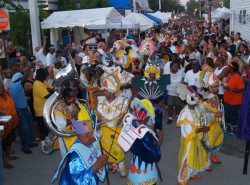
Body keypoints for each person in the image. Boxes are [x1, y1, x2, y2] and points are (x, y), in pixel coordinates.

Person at [52, 109, 117, 184]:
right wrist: (98, 165)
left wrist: (108, 165)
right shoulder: (75, 156)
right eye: (95, 135)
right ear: (89, 134)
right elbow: (78, 181)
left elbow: (95, 159)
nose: (97, 137)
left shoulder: (92, 143)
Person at [119, 98, 163, 185]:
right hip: (145, 174)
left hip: (135, 166)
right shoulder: (145, 133)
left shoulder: (131, 124)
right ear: (146, 118)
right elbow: (151, 155)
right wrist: (160, 141)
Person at [176, 84, 210, 185]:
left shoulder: (194, 109)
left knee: (195, 156)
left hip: (195, 139)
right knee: (186, 158)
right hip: (188, 141)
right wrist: (202, 129)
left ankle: (190, 174)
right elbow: (188, 133)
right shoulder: (185, 113)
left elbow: (199, 120)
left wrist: (203, 126)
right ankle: (181, 180)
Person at [97, 72, 129, 177]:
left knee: (118, 152)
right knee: (104, 152)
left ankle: (121, 169)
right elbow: (98, 117)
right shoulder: (100, 101)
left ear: (112, 92)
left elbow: (127, 117)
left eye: (106, 91)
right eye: (104, 90)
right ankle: (107, 167)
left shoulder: (123, 101)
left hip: (117, 131)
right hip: (104, 132)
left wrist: (123, 119)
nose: (104, 92)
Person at [132, 58, 170, 130]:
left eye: (154, 74)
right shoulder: (141, 82)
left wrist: (162, 101)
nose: (152, 75)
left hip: (157, 108)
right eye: (150, 74)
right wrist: (142, 105)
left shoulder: (160, 82)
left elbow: (165, 92)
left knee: (157, 127)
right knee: (145, 127)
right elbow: (139, 95)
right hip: (144, 109)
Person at [199, 69, 225, 170]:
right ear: (209, 87)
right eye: (215, 87)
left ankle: (211, 156)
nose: (217, 88)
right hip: (208, 125)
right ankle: (206, 162)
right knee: (208, 144)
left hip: (214, 124)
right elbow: (203, 113)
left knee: (214, 141)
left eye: (218, 86)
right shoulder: (208, 97)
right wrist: (216, 115)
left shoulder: (213, 96)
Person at [9, 70, 37, 154]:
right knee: (25, 129)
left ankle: (29, 142)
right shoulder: (16, 85)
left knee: (30, 126)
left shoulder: (17, 86)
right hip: (19, 110)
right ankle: (25, 147)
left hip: (24, 109)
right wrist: (28, 68)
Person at [52, 88, 79, 157]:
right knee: (68, 155)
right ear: (67, 97)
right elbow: (60, 126)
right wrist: (72, 120)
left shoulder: (72, 104)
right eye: (72, 97)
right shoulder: (59, 108)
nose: (74, 98)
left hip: (75, 132)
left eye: (74, 96)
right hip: (65, 134)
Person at [33, 68, 54, 154]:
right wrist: (51, 91)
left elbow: (52, 89)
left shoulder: (43, 82)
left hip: (45, 109)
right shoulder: (37, 84)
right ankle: (43, 146)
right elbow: (47, 95)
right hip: (40, 110)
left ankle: (47, 141)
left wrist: (51, 91)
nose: (47, 76)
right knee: (42, 130)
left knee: (46, 128)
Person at [0, 80, 19, 168]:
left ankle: (8, 156)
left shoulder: (7, 93)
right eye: (0, 88)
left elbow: (12, 104)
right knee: (3, 144)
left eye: (2, 87)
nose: (2, 89)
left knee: (9, 140)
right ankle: (4, 162)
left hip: (11, 122)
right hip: (2, 125)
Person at [223, 62, 244, 135]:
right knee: (227, 115)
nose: (227, 67)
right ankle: (228, 128)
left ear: (233, 68)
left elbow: (240, 89)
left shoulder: (237, 77)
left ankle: (234, 129)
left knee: (233, 115)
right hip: (227, 99)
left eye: (229, 66)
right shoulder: (229, 75)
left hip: (234, 101)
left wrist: (230, 89)